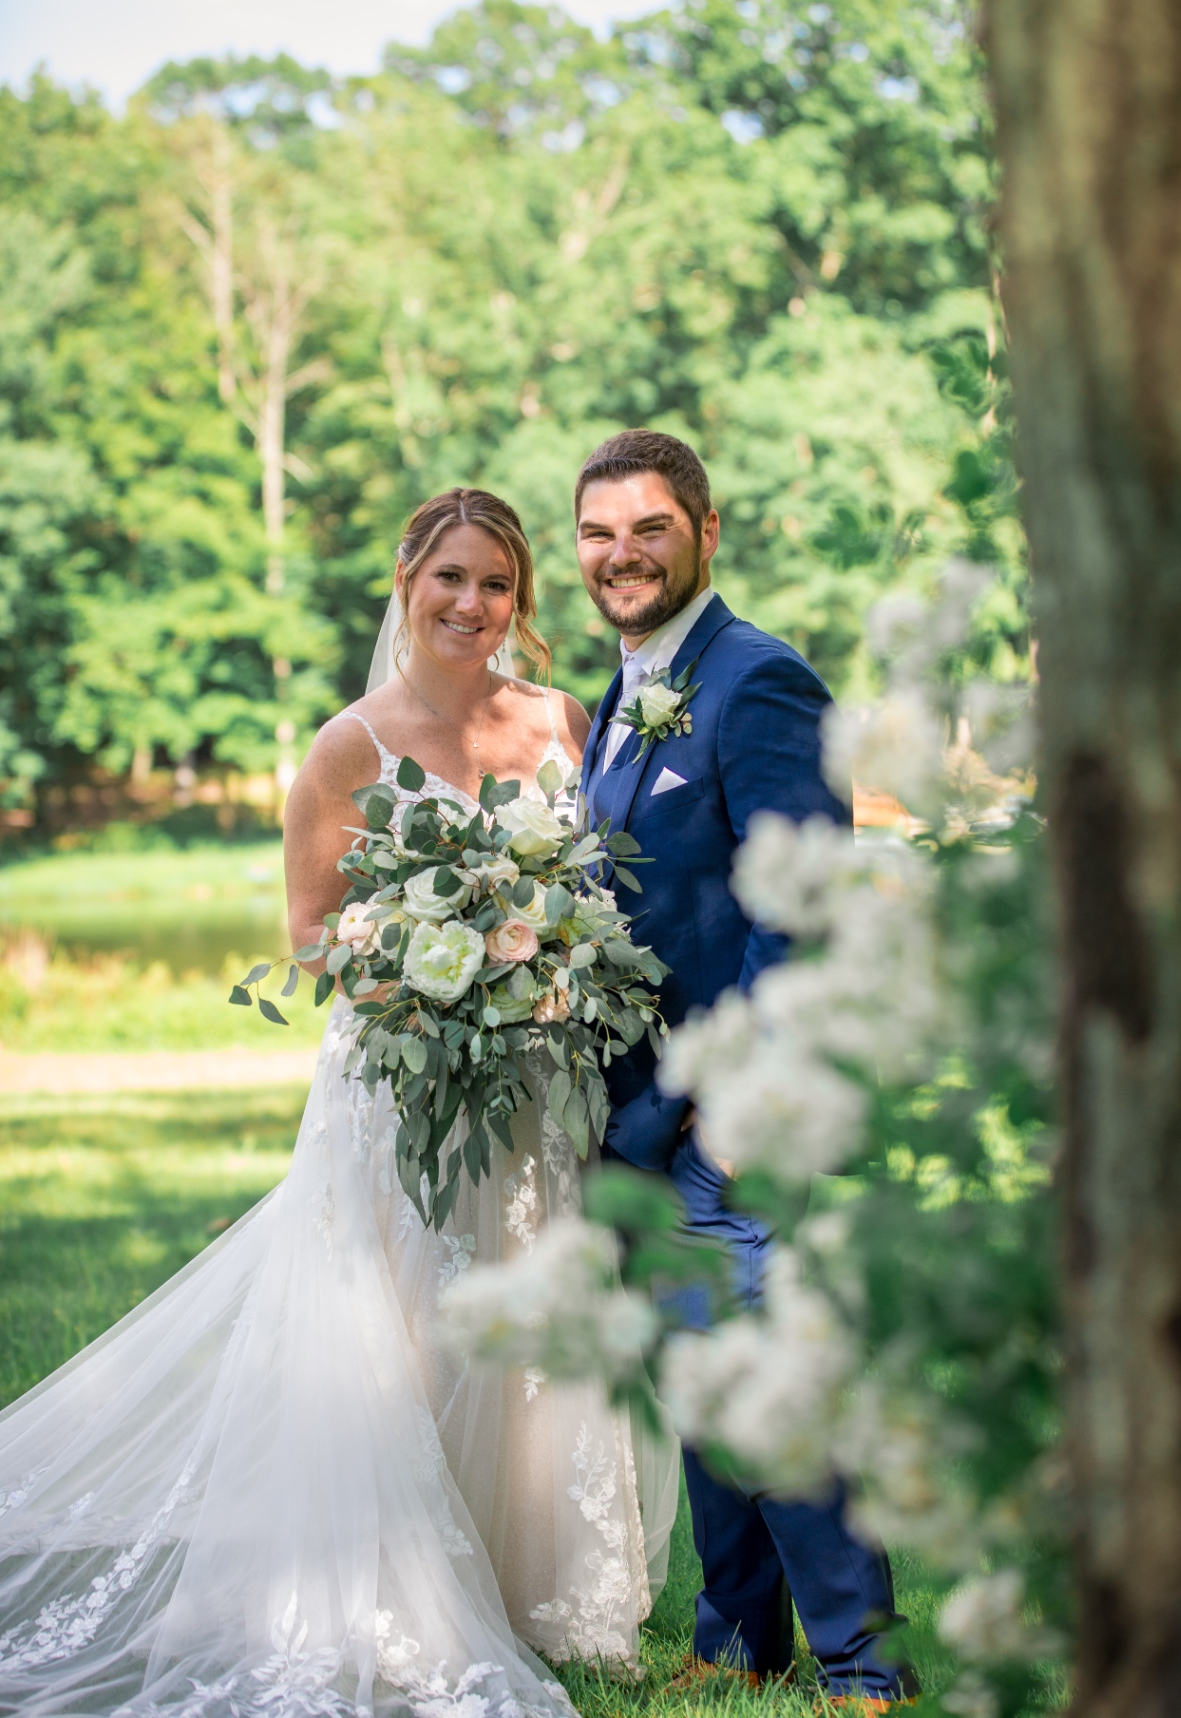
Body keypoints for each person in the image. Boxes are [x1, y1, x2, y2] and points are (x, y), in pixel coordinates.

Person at [0, 487, 676, 1718]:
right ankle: (403, 1586)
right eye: (450, 579)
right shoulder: (348, 747)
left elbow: (605, 900)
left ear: (519, 601)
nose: (472, 605)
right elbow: (311, 941)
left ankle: (544, 1590)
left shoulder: (568, 721)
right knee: (407, 1324)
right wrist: (446, 960)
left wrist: (542, 962)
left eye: (495, 583)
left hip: (537, 1089)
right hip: (406, 1086)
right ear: (406, 581)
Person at [575, 431, 916, 1712]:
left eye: (649, 528)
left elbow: (803, 908)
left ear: (705, 533)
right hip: (642, 1114)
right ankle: (736, 1640)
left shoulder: (757, 680)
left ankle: (868, 1668)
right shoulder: (629, 689)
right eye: (599, 534)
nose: (622, 555)